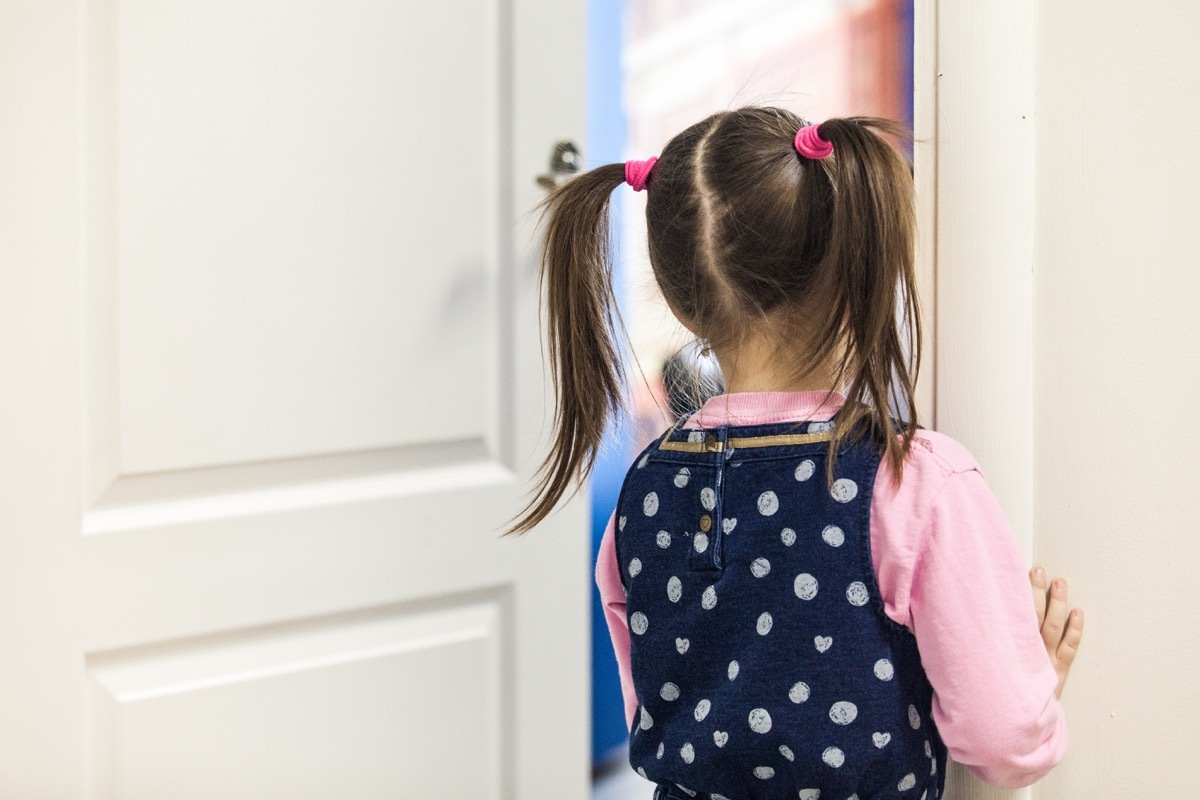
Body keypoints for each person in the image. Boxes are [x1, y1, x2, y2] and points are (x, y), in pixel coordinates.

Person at [508, 107, 1084, 799]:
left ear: (681, 300)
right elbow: (999, 743)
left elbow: (656, 714)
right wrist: (1033, 695)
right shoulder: (914, 482)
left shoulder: (644, 490)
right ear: (858, 275)